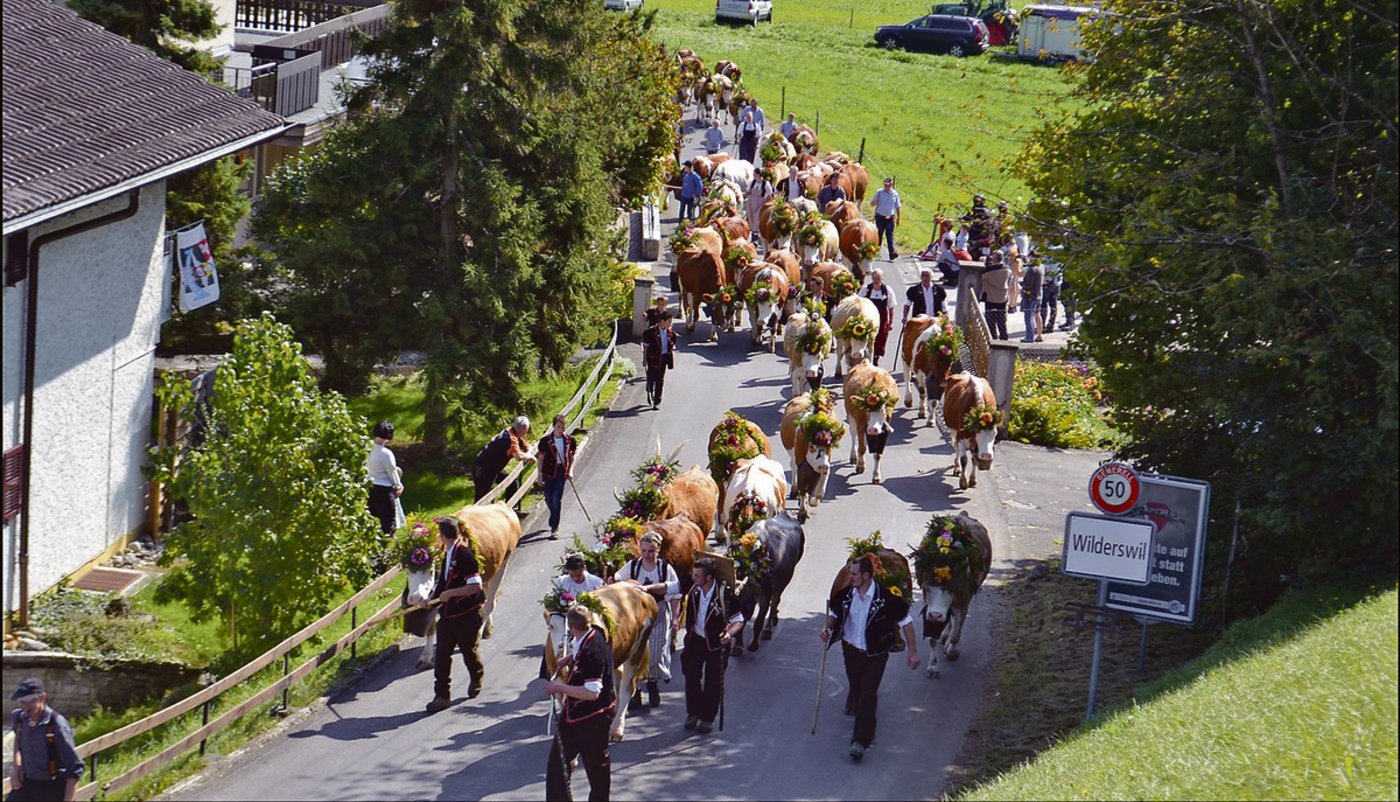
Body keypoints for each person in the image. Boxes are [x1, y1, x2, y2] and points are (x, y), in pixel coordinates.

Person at [819, 556, 920, 762]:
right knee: (856, 688)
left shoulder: (885, 598)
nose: (850, 577)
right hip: (850, 650)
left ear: (866, 575)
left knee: (868, 693)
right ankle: (867, 727)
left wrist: (913, 652)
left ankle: (860, 741)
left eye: (854, 574)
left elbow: (906, 623)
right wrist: (827, 628)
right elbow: (835, 614)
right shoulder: (846, 595)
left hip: (875, 654)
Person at [544, 606, 614, 802]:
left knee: (596, 768)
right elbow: (580, 650)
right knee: (557, 763)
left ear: (571, 627)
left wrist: (559, 688)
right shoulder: (591, 635)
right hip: (574, 716)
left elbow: (591, 693)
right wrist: (570, 658)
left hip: (593, 719)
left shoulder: (592, 653)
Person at [420, 517, 486, 713]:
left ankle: (476, 675)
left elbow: (475, 586)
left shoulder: (464, 554)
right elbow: (443, 583)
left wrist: (451, 594)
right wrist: (430, 599)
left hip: (467, 614)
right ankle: (442, 696)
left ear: (441, 536)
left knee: (468, 651)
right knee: (442, 655)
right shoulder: (448, 554)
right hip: (448, 615)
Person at [612, 531, 681, 708]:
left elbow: (675, 594)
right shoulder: (633, 566)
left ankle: (652, 683)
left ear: (658, 550)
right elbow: (618, 579)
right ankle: (635, 690)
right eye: (643, 550)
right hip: (637, 616)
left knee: (655, 654)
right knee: (635, 653)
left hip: (658, 613)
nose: (647, 555)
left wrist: (675, 619)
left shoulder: (665, 569)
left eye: (651, 551)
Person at [681, 557, 744, 734]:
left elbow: (738, 620)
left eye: (697, 575)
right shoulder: (693, 588)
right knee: (691, 677)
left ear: (708, 578)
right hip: (695, 641)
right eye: (693, 574)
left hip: (716, 645)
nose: (693, 578)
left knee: (713, 682)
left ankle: (707, 718)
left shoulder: (725, 595)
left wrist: (729, 634)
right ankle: (693, 713)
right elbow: (670, 587)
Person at [8, 678, 82, 802]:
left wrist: (68, 799)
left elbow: (74, 767)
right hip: (27, 784)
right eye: (21, 702)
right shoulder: (19, 718)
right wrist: (16, 769)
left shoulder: (57, 724)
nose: (24, 706)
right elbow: (18, 740)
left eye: (28, 701)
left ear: (42, 697)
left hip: (52, 786)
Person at [473, 417, 536, 505]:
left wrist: (528, 452)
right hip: (483, 469)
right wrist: (529, 457)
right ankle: (474, 513)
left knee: (512, 483)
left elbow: (527, 446)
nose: (527, 432)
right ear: (522, 429)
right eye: (527, 429)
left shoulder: (513, 432)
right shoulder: (509, 438)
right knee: (482, 498)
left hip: (493, 468)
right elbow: (518, 456)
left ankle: (509, 508)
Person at [536, 414, 576, 540]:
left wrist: (570, 471)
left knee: (556, 499)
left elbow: (572, 457)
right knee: (548, 498)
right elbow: (541, 459)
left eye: (563, 427)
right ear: (553, 427)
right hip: (548, 473)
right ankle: (554, 515)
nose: (561, 429)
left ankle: (554, 529)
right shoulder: (545, 441)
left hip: (561, 472)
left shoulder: (570, 440)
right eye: (558, 427)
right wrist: (539, 475)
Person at [365, 421, 404, 536]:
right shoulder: (386, 453)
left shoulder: (366, 448)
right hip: (384, 490)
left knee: (371, 520)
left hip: (368, 487)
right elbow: (392, 471)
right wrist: (398, 485)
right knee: (388, 523)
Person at [858, 268, 897, 367]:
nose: (876, 280)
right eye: (874, 278)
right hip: (868, 318)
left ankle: (876, 357)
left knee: (881, 338)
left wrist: (891, 322)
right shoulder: (866, 289)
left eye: (878, 278)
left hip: (882, 318)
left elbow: (891, 307)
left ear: (882, 278)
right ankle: (865, 356)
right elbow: (859, 303)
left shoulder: (887, 290)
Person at [641, 309, 678, 410]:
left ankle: (657, 401)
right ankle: (649, 391)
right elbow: (645, 347)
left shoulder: (671, 333)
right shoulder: (650, 332)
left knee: (660, 380)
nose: (670, 324)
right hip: (653, 358)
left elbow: (672, 345)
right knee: (651, 378)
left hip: (664, 358)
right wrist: (644, 359)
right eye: (669, 322)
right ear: (662, 321)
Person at [981, 254, 1012, 340]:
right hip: (1003, 298)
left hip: (991, 297)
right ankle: (1004, 337)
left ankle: (992, 338)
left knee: (990, 320)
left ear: (994, 259)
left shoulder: (989, 271)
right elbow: (1009, 281)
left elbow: (981, 277)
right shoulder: (1008, 270)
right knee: (1002, 320)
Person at [870, 178, 901, 260]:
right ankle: (875, 251)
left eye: (888, 185)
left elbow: (897, 207)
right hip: (880, 217)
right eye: (885, 185)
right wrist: (875, 201)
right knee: (879, 233)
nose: (887, 186)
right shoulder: (879, 192)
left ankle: (892, 253)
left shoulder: (895, 194)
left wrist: (898, 218)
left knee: (889, 235)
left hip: (890, 218)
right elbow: (872, 204)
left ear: (891, 185)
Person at [1020, 255, 1045, 343]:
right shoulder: (1040, 269)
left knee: (1028, 318)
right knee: (1036, 315)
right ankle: (1038, 335)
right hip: (1038, 296)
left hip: (1030, 297)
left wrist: (1021, 283)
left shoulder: (1031, 270)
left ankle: (1029, 337)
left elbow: (1028, 285)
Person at [747, 170, 774, 244]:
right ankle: (753, 232)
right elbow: (748, 191)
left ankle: (755, 234)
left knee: (757, 217)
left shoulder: (766, 183)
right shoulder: (752, 182)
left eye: (755, 174)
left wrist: (768, 203)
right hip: (751, 201)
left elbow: (770, 195)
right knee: (751, 216)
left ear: (759, 175)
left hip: (760, 202)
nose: (754, 175)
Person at [1039, 251, 1062, 333]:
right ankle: (1050, 325)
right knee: (1053, 305)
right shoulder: (1059, 259)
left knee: (1044, 305)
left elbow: (1047, 269)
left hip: (1049, 283)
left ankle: (1042, 326)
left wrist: (1045, 280)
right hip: (1057, 283)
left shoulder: (1048, 258)